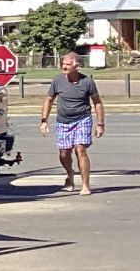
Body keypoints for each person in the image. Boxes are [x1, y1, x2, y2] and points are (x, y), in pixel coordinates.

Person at [40, 50, 104, 194]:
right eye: (63, 64)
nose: (64, 67)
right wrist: (44, 120)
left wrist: (100, 124)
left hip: (82, 119)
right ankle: (70, 174)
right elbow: (49, 100)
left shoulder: (87, 82)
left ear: (77, 66)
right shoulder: (58, 80)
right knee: (64, 153)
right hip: (63, 121)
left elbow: (97, 103)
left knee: (80, 149)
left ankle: (85, 185)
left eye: (67, 64)